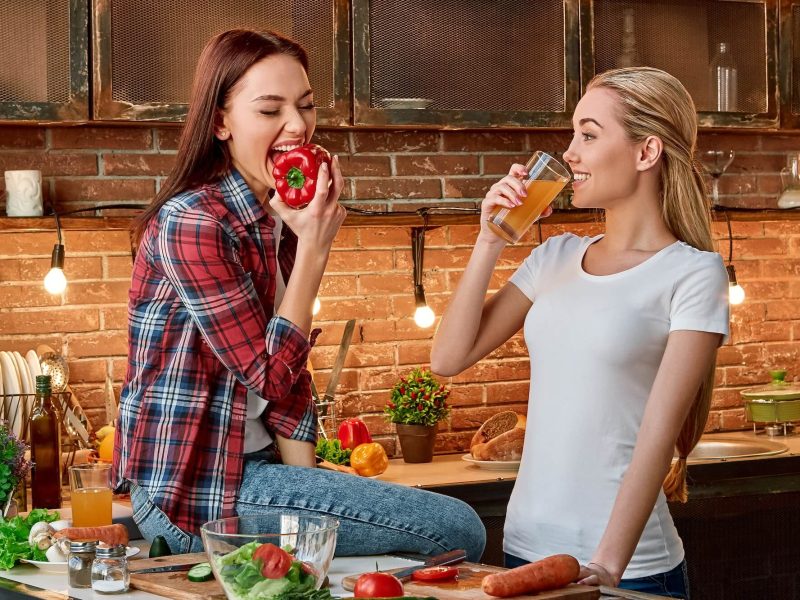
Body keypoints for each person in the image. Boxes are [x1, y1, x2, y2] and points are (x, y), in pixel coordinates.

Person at [114, 28, 485, 560]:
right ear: (220, 122)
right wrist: (315, 244)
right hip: (195, 494)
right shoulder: (192, 222)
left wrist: (313, 494)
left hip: (256, 473)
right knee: (455, 528)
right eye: (270, 111)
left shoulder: (275, 216)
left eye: (305, 106)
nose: (297, 126)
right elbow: (267, 371)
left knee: (404, 545)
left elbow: (288, 389)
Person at [431, 67, 729, 598]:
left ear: (646, 153)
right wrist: (489, 240)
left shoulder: (692, 272)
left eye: (588, 135)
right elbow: (449, 358)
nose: (569, 153)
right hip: (525, 549)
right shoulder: (554, 256)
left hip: (626, 566)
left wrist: (608, 565)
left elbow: (655, 441)